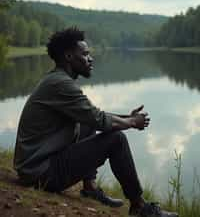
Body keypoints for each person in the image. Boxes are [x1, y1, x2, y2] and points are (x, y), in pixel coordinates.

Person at [14, 27, 178, 217]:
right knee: (116, 139)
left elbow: (92, 116)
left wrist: (126, 117)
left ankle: (90, 188)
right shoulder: (61, 84)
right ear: (68, 56)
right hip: (40, 174)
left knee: (87, 123)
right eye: (85, 54)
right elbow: (98, 119)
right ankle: (140, 207)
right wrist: (132, 122)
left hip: (34, 168)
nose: (90, 58)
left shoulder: (56, 79)